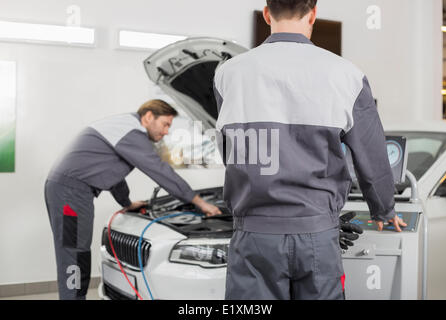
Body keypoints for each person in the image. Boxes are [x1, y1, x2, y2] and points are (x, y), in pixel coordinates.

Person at [213, 0, 406, 300]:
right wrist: (384, 208)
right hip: (318, 235)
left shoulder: (228, 74)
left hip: (253, 237)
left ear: (267, 14)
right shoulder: (347, 75)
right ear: (313, 14)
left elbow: (229, 148)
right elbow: (372, 151)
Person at [44, 99, 222, 299]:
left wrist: (126, 203)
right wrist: (199, 202)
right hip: (71, 194)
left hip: (69, 190)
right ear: (148, 117)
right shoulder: (132, 132)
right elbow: (160, 171)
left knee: (76, 252)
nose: (166, 132)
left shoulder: (123, 128)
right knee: (75, 255)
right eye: (165, 124)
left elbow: (113, 175)